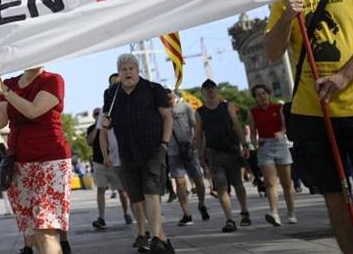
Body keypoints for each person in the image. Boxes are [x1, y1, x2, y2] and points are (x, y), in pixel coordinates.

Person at [265, 0, 353, 253]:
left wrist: (343, 77)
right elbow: (272, 52)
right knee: (335, 200)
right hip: (313, 114)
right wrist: (285, 18)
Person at [0, 66, 71, 254]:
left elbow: (33, 111)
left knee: (45, 229)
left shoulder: (53, 80)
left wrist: (3, 90)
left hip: (50, 162)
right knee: (32, 234)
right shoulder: (11, 83)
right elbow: (0, 122)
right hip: (19, 164)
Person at [101, 54, 174, 254]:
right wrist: (107, 124)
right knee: (138, 198)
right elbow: (108, 121)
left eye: (131, 69)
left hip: (153, 150)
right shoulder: (111, 93)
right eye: (123, 69)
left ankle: (156, 237)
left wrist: (164, 144)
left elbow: (167, 117)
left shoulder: (153, 89)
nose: (128, 72)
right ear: (119, 72)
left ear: (137, 70)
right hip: (127, 152)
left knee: (151, 191)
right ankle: (163, 241)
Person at [194, 79, 251, 233]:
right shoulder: (200, 112)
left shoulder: (227, 106)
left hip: (232, 150)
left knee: (238, 184)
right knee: (221, 187)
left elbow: (237, 125)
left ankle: (244, 211)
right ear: (203, 92)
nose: (210, 90)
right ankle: (229, 219)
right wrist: (200, 155)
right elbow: (199, 134)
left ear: (217, 89)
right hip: (214, 153)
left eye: (212, 87)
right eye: (206, 88)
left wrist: (244, 144)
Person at [248, 84, 296, 226]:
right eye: (258, 95)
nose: (261, 96)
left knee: (286, 183)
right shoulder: (252, 112)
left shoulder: (278, 108)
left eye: (263, 93)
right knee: (270, 183)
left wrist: (282, 132)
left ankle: (291, 212)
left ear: (268, 94)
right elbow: (252, 132)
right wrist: (255, 145)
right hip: (265, 146)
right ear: (255, 98)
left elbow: (285, 126)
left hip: (280, 144)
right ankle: (274, 213)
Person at [165, 89, 209, 226]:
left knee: (198, 180)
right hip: (173, 152)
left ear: (174, 95)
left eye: (170, 96)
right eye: (165, 97)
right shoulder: (162, 112)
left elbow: (196, 125)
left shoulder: (185, 107)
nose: (168, 99)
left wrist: (196, 141)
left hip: (189, 149)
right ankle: (187, 214)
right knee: (179, 182)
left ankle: (202, 203)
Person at [87, 107, 133, 229]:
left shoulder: (111, 124)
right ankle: (101, 217)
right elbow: (90, 141)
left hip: (114, 161)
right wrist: (97, 127)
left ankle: (126, 213)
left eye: (100, 113)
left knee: (122, 190)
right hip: (99, 162)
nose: (98, 115)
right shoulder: (92, 128)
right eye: (96, 114)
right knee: (100, 189)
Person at [0, 142, 13, 216]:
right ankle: (10, 209)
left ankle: (8, 209)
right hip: (7, 176)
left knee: (6, 194)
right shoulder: (8, 154)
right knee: (8, 194)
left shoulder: (2, 157)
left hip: (4, 176)